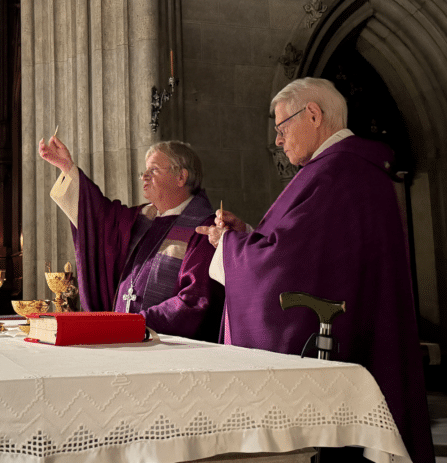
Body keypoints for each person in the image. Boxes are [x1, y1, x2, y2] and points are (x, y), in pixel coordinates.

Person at [196, 77, 434, 463]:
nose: (277, 139)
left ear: (312, 114)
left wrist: (228, 247)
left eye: (281, 126)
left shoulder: (337, 171)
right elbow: (312, 254)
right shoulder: (351, 168)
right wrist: (249, 236)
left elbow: (287, 263)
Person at [39, 135, 223, 341]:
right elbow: (99, 217)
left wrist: (136, 322)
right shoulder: (142, 220)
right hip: (125, 340)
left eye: (153, 170)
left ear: (181, 177)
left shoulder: (203, 229)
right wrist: (67, 167)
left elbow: (195, 300)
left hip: (166, 348)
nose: (144, 176)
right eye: (144, 170)